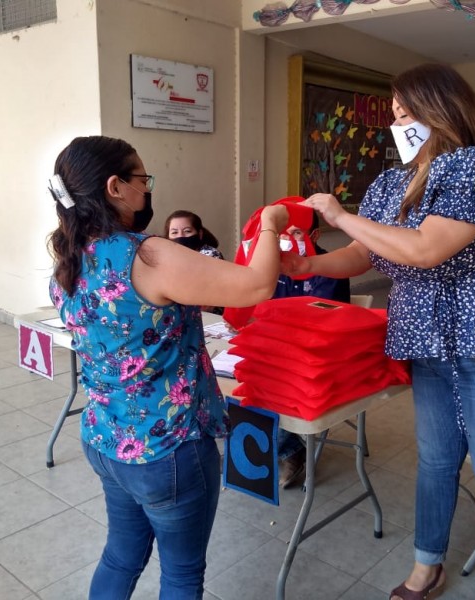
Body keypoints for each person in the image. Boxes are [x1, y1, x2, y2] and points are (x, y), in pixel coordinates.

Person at [281, 63, 475, 600]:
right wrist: (307, 265)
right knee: (435, 461)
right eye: (394, 113)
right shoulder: (391, 182)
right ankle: (426, 563)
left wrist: (339, 214)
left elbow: (424, 250)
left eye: (407, 111)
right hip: (431, 345)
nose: (398, 121)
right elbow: (366, 252)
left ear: (443, 109)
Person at [47, 135, 287, 600]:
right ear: (116, 187)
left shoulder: (71, 256)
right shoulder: (148, 255)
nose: (148, 188)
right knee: (180, 574)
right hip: (167, 449)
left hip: (105, 438)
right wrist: (273, 223)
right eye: (142, 178)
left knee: (120, 555)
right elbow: (257, 285)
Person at [273, 211, 351, 488]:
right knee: (239, 379)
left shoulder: (330, 268)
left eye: (297, 233)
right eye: (285, 234)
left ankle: (290, 450)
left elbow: (319, 322)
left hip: (322, 355)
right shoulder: (277, 266)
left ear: (314, 236)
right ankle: (272, 444)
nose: (289, 240)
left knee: (274, 386)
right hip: (282, 349)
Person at [164, 210, 225, 315]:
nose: (180, 236)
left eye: (187, 231)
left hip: (208, 316)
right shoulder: (166, 256)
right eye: (174, 232)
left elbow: (206, 301)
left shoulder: (210, 255)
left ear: (199, 233)